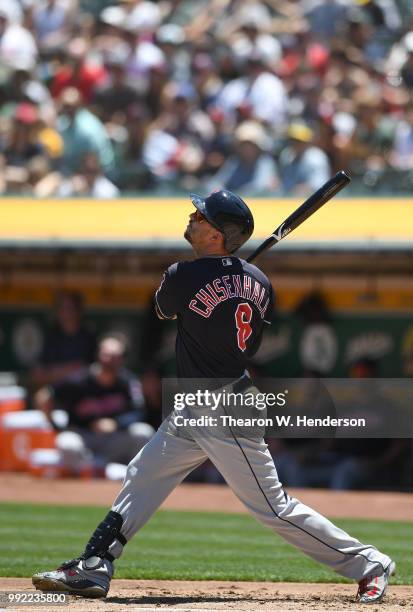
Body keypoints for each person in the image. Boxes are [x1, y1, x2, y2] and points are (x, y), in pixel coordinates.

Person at [32, 190, 395, 604]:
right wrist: (227, 279)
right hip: (202, 403)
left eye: (200, 215)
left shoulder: (182, 275)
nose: (192, 217)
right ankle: (95, 564)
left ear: (218, 233)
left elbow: (163, 309)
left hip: (224, 406)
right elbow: (248, 346)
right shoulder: (259, 281)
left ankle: (370, 563)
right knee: (143, 473)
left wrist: (208, 281)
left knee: (272, 507)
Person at [34, 335, 154, 469]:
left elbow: (139, 411)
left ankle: (121, 473)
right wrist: (57, 427)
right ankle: (94, 471)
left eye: (115, 356)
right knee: (67, 444)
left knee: (143, 432)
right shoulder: (78, 379)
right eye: (106, 354)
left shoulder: (128, 381)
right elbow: (44, 397)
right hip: (84, 437)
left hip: (114, 439)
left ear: (122, 359)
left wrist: (115, 423)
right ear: (98, 354)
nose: (110, 360)